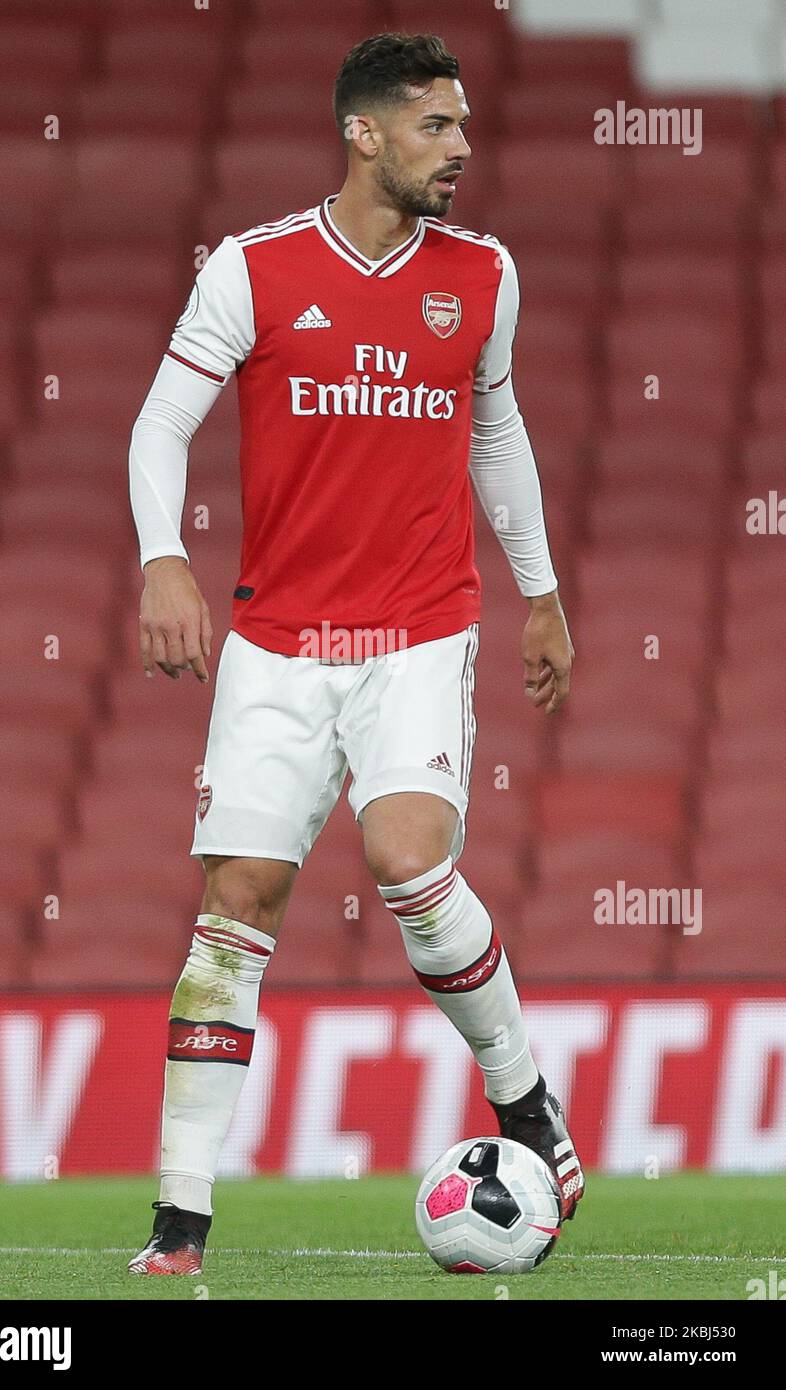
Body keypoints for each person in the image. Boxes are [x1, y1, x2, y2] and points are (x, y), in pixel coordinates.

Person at [127, 31, 583, 1276]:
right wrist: (163, 556)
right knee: (234, 911)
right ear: (364, 133)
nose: (462, 150)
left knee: (405, 860)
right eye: (438, 127)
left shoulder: (481, 275)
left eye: (465, 126)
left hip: (419, 630)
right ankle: (179, 1221)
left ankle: (523, 1099)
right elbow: (161, 422)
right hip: (277, 644)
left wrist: (537, 595)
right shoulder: (253, 269)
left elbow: (497, 431)